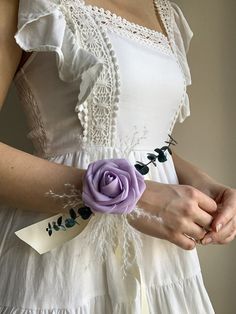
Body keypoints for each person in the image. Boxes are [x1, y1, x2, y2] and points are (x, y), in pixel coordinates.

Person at [0, 0, 235, 313]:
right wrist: (137, 199)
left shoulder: (165, 12)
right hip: (65, 257)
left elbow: (142, 140)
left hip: (160, 259)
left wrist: (199, 181)